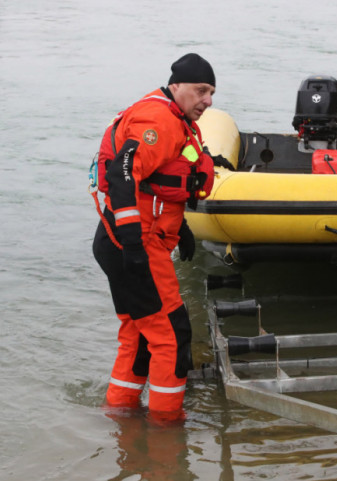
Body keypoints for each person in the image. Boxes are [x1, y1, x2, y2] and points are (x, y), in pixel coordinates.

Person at [92, 53, 217, 423]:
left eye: (211, 92)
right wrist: (133, 246)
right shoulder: (159, 122)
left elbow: (157, 189)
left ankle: (119, 414)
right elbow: (122, 175)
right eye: (200, 90)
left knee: (138, 334)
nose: (207, 100)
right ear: (175, 86)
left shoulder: (173, 118)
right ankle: (166, 434)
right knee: (171, 338)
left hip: (122, 241)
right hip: (134, 245)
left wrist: (183, 230)